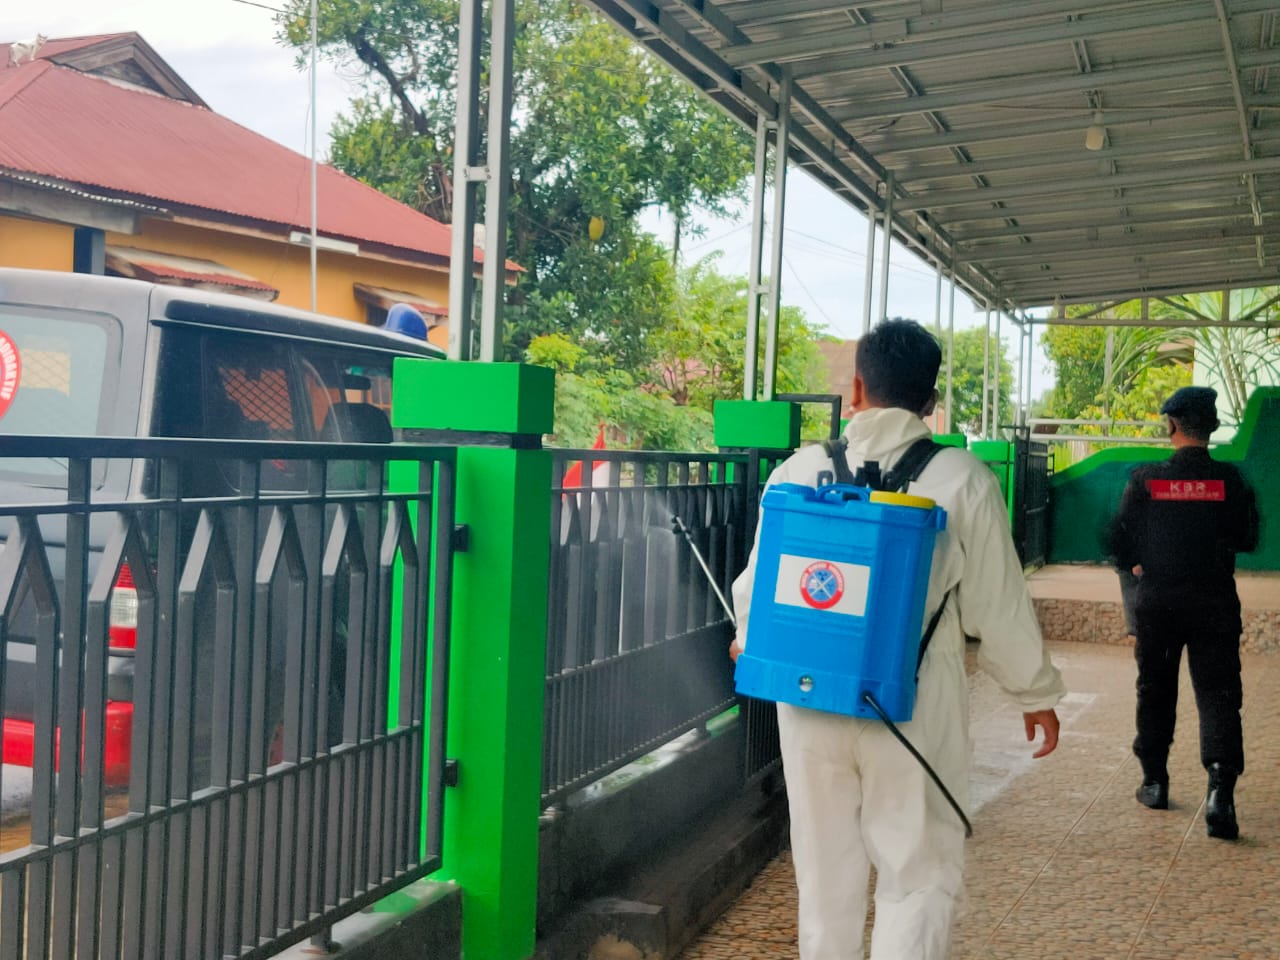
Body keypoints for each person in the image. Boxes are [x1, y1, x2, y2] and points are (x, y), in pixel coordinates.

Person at [729, 319, 1064, 960]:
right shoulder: (962, 477)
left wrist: (747, 637)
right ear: (930, 396)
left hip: (807, 697)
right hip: (909, 701)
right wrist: (1034, 693)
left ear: (856, 386)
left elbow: (758, 586)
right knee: (918, 871)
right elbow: (997, 603)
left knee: (825, 875)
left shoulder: (798, 469)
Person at [1107, 385, 1259, 840]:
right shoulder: (1230, 481)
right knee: (1218, 693)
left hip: (1157, 602)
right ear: (1210, 428)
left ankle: (1154, 781)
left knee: (1155, 688)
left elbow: (1118, 541)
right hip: (1213, 601)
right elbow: (1248, 539)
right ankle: (1220, 793)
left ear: (1171, 425)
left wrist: (1138, 558)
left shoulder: (1145, 479)